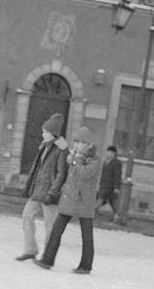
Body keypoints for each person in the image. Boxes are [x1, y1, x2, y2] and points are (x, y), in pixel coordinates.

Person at [33, 125, 102, 274]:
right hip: (70, 198)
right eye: (75, 142)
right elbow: (70, 174)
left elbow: (85, 173)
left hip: (84, 201)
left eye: (78, 142)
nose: (75, 145)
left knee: (86, 235)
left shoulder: (94, 158)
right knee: (56, 230)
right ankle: (47, 259)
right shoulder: (75, 155)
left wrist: (75, 161)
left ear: (86, 144)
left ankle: (85, 265)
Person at [16, 113, 69, 261]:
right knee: (27, 216)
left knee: (50, 226)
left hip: (50, 194)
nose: (42, 133)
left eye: (45, 131)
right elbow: (37, 170)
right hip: (38, 190)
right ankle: (30, 249)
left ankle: (48, 256)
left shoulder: (61, 148)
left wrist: (53, 193)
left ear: (53, 133)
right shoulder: (44, 147)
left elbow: (61, 174)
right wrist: (29, 187)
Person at [95, 145, 122, 221]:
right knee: (112, 202)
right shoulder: (105, 161)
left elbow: (117, 175)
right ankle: (116, 216)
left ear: (113, 153)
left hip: (110, 186)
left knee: (100, 199)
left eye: (109, 152)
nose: (107, 153)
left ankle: (91, 213)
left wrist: (117, 187)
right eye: (107, 151)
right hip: (104, 185)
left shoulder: (117, 163)